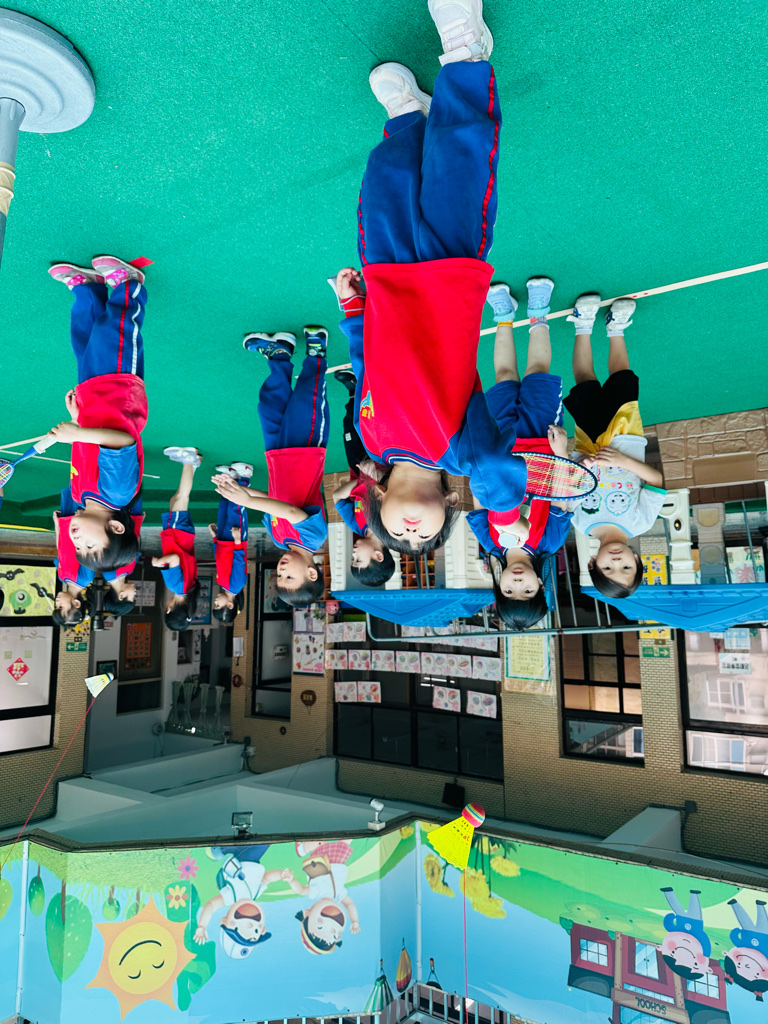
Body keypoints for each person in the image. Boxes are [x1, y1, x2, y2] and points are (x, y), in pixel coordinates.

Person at [336, 0, 527, 557]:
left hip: (387, 278)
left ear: (376, 503)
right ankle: (465, 50)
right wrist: (504, 514)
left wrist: (353, 310)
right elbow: (493, 464)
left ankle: (407, 117)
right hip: (450, 277)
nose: (410, 532)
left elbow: (367, 364)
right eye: (425, 537)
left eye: (397, 534)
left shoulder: (371, 439)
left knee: (384, 178)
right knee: (458, 163)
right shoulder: (461, 453)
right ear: (449, 503)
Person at [468, 278, 574, 629]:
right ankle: (538, 312)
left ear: (498, 586)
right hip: (543, 444)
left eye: (509, 591)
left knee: (503, 377)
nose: (517, 583)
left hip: (501, 444)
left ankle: (503, 315)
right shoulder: (550, 542)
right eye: (527, 591)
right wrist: (562, 453)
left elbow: (480, 496)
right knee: (537, 373)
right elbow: (562, 498)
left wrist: (479, 456)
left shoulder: (489, 542)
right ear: (541, 584)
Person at [47, 256, 148, 572]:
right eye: (89, 545)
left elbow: (87, 449)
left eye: (77, 547)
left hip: (91, 401)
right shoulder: (117, 492)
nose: (77, 540)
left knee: (85, 341)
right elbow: (120, 441)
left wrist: (78, 421)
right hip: (119, 393)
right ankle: (129, 284)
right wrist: (77, 432)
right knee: (114, 334)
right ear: (116, 527)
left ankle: (88, 289)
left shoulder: (81, 497)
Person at [216, 326, 329, 609]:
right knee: (307, 399)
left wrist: (237, 490)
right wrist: (246, 501)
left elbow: (271, 500)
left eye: (279, 576)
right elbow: (289, 512)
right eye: (289, 576)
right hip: (306, 452)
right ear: (311, 573)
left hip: (277, 456)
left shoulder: (280, 540)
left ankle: (280, 353)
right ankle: (316, 352)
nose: (281, 569)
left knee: (269, 406)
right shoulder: (314, 538)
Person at [564, 293, 665, 598]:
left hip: (588, 441)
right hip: (627, 436)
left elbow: (569, 485)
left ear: (592, 563)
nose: (617, 561)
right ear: (637, 560)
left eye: (608, 568)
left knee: (585, 380)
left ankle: (583, 324)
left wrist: (580, 468)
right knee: (622, 378)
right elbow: (656, 481)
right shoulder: (641, 522)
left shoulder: (580, 523)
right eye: (626, 567)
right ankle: (616, 328)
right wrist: (623, 461)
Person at [332, 370, 395, 586]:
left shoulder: (356, 526)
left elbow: (338, 497)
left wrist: (361, 480)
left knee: (350, 425)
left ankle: (353, 388)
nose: (353, 554)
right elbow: (396, 490)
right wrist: (374, 476)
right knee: (374, 421)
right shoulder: (393, 528)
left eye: (352, 559)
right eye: (358, 559)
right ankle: (375, 381)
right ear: (378, 556)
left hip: (357, 466)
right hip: (383, 461)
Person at [194, 845, 290, 960]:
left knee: (262, 843)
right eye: (256, 931)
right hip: (253, 860)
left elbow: (211, 906)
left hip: (242, 859)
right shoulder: (255, 894)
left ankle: (219, 850)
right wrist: (281, 875)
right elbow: (266, 879)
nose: (251, 925)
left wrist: (202, 926)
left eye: (239, 929)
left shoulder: (231, 897)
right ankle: (221, 850)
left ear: (225, 921)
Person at [152, 447, 202, 631]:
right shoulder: (175, 585)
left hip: (184, 536)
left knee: (174, 500)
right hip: (177, 535)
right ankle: (188, 460)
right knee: (181, 497)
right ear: (169, 608)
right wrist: (158, 563)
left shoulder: (190, 587)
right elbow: (174, 559)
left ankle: (193, 465)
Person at [285, 840, 361, 955]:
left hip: (319, 863)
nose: (332, 927)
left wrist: (291, 880)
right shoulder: (338, 895)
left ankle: (302, 849)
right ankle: (302, 849)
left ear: (307, 913)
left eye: (320, 927)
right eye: (335, 935)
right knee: (331, 843)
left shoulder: (316, 892)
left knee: (331, 844)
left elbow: (301, 890)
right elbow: (350, 905)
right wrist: (354, 921)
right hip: (337, 862)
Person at [209, 461, 252, 624]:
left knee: (224, 506)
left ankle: (232, 478)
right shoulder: (236, 585)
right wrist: (237, 540)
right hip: (235, 539)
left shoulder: (222, 583)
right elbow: (239, 562)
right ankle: (245, 476)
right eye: (217, 605)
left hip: (223, 540)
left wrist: (215, 538)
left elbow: (220, 559)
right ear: (229, 605)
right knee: (236, 507)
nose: (215, 601)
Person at [658, 887, 713, 981]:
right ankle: (693, 895)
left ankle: (669, 893)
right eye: (695, 964)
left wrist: (670, 924)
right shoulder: (705, 950)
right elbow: (705, 942)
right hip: (695, 927)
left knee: (678, 909)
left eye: (673, 953)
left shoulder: (675, 935)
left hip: (681, 926)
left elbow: (669, 927)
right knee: (693, 911)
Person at [724, 898, 768, 1001]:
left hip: (748, 936)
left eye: (739, 965)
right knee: (762, 924)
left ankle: (735, 904)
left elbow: (734, 938)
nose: (747, 966)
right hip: (764, 937)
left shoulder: (742, 948)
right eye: (757, 974)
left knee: (745, 922)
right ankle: (760, 906)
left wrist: (735, 934)